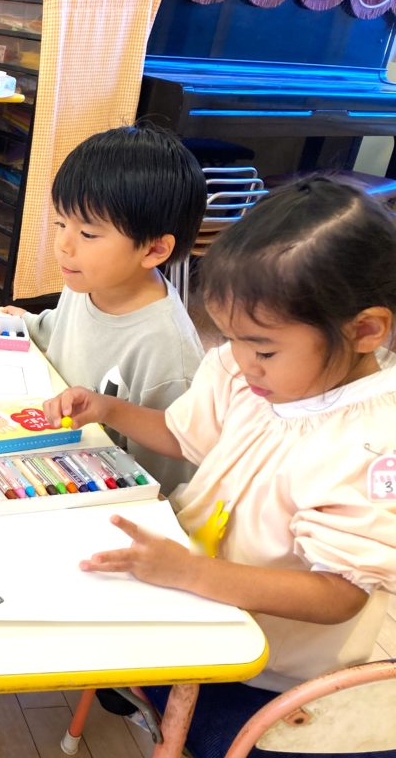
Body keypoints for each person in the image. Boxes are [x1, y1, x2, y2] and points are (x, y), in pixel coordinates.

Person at [46, 177, 396, 757]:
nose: (240, 362)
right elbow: (183, 434)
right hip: (196, 602)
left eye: (263, 348)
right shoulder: (245, 372)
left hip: (282, 672)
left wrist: (191, 573)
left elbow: (338, 595)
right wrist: (107, 409)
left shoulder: (373, 444)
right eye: (230, 338)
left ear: (364, 330)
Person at [3, 125, 207, 494]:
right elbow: (58, 335)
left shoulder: (166, 349)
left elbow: (168, 477)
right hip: (49, 447)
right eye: (61, 223)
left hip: (100, 492)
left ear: (154, 250)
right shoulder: (90, 281)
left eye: (88, 234)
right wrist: (21, 322)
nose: (64, 244)